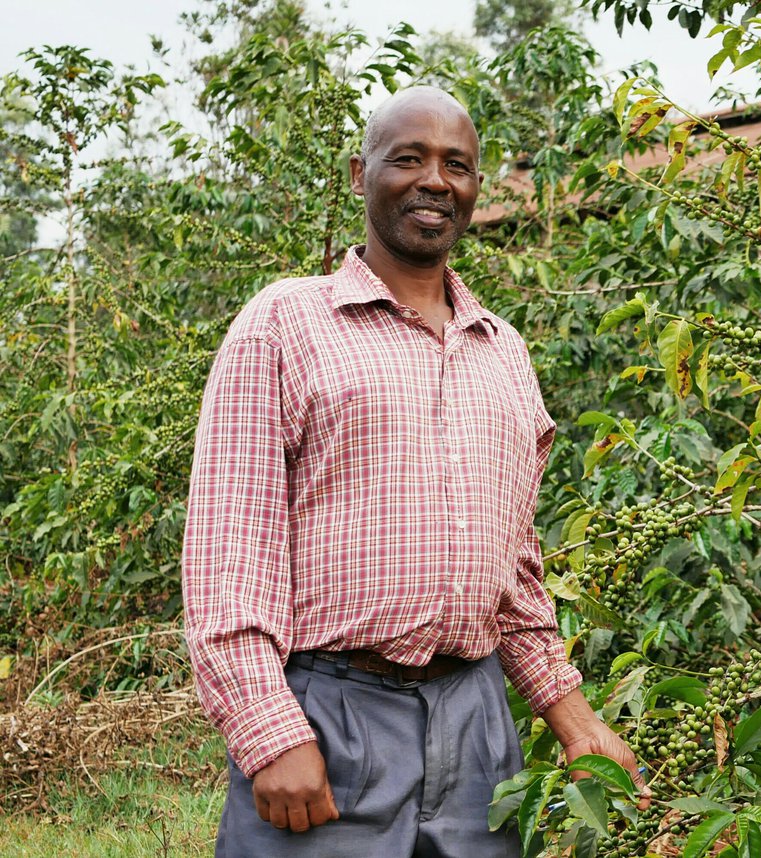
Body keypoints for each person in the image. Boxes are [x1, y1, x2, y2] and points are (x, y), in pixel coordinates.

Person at [182, 85, 649, 858]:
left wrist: (571, 714)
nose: (436, 179)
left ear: (474, 189)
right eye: (409, 158)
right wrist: (267, 731)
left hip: (477, 726)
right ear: (360, 171)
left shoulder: (505, 353)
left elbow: (516, 572)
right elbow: (232, 547)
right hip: (329, 716)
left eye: (457, 165)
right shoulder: (286, 323)